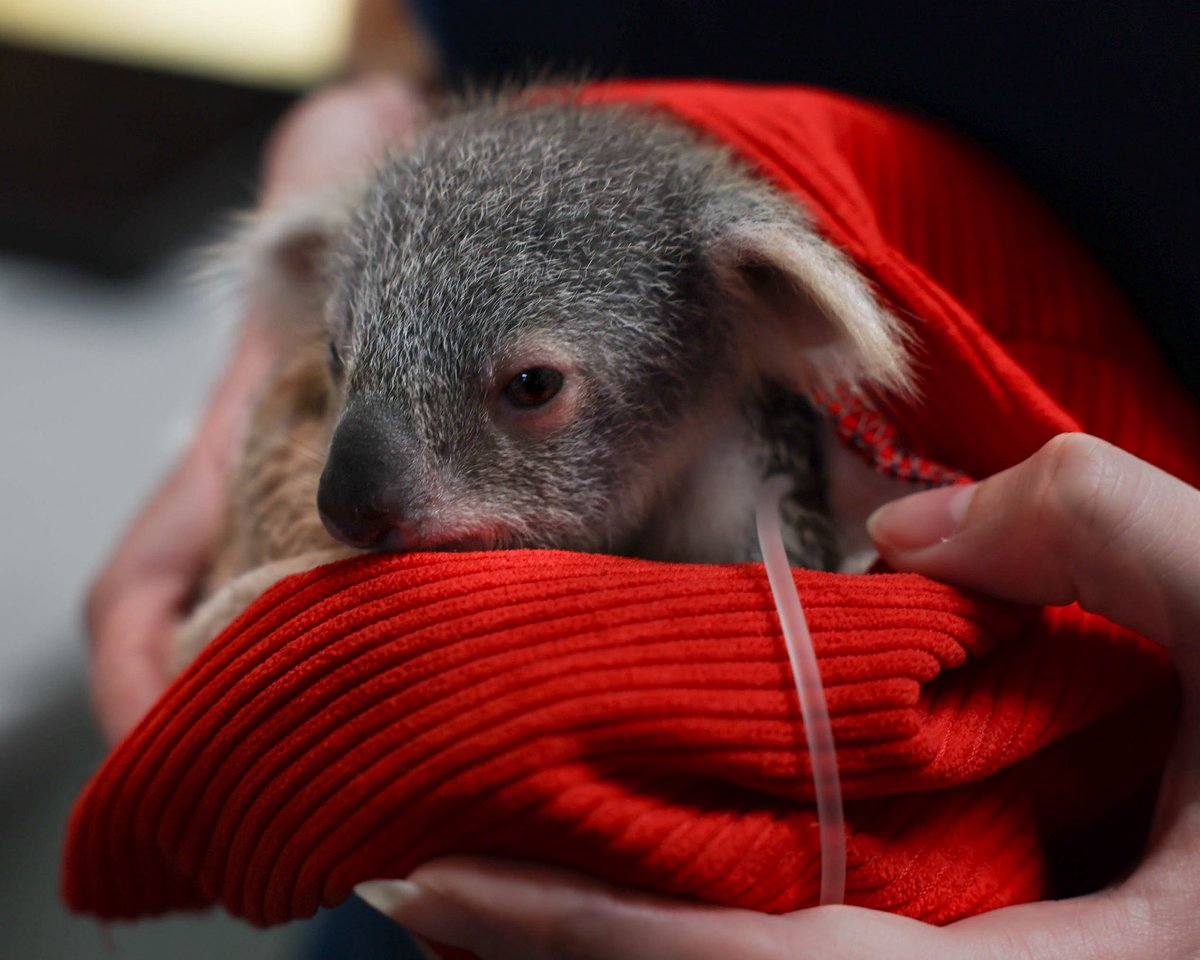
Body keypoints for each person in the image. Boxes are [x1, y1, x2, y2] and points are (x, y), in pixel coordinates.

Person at [86, 73, 1200, 960]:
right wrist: (359, 110)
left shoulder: (781, 377)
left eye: (532, 389)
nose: (354, 505)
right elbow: (402, 38)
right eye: (344, 360)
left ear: (766, 300)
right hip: (418, 881)